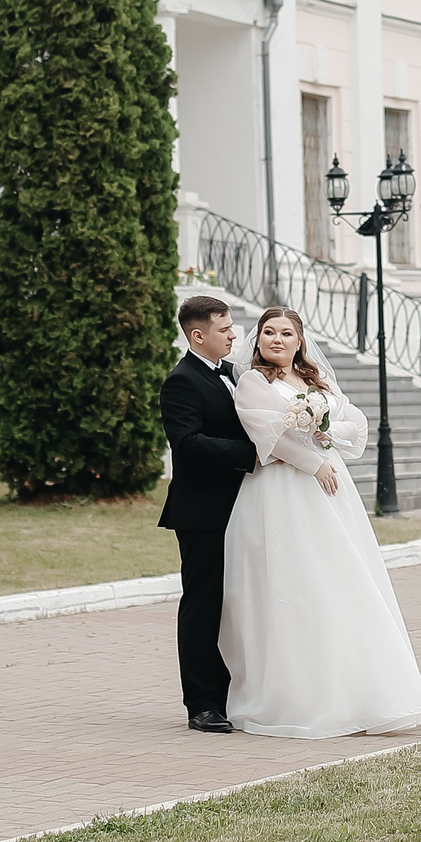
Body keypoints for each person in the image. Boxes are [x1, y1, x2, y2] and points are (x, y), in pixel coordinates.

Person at [218, 305, 421, 739]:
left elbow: (353, 422)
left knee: (342, 578)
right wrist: (312, 462)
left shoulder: (315, 379)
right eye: (268, 332)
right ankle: (296, 695)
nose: (276, 340)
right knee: (293, 582)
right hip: (280, 491)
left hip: (331, 495)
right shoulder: (252, 381)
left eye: (285, 333)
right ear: (257, 339)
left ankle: (361, 691)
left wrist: (327, 434)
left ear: (300, 340)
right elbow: (267, 432)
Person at [158, 294, 257, 734]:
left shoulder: (235, 375)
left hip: (242, 506)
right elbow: (189, 443)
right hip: (202, 513)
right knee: (203, 604)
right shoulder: (181, 381)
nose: (234, 334)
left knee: (238, 601)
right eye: (225, 329)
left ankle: (236, 692)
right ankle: (202, 702)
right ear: (198, 335)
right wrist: (252, 454)